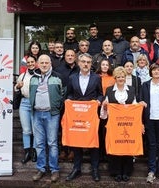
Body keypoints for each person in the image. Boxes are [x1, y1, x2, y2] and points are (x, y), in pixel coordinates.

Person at [101, 66, 146, 182]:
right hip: (114, 125)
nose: (121, 78)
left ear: (125, 78)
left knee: (127, 146)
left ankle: (127, 171)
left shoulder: (131, 90)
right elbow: (105, 110)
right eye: (119, 77)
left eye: (123, 76)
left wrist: (140, 104)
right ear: (115, 78)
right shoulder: (109, 90)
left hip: (129, 124)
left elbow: (135, 106)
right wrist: (105, 106)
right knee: (116, 146)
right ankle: (116, 171)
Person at [65, 53, 103, 182]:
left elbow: (100, 94)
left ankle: (95, 169)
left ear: (91, 64)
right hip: (77, 116)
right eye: (83, 62)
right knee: (77, 142)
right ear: (79, 63)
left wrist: (98, 101)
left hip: (91, 116)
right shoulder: (72, 78)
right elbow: (69, 94)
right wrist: (68, 101)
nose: (86, 64)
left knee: (93, 142)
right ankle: (76, 168)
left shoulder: (97, 78)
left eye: (88, 62)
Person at [29, 54, 66, 182]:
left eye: (46, 62)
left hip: (52, 114)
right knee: (39, 144)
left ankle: (54, 170)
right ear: (38, 64)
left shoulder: (58, 77)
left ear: (50, 64)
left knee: (52, 143)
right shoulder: (33, 78)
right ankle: (41, 169)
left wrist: (56, 108)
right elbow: (30, 94)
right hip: (37, 114)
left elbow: (63, 94)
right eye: (42, 62)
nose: (44, 65)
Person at [55, 49, 79, 162]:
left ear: (75, 57)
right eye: (68, 55)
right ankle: (64, 150)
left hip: (76, 105)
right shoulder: (59, 69)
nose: (70, 57)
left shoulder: (79, 69)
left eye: (72, 55)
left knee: (75, 128)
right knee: (63, 128)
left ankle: (73, 151)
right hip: (63, 104)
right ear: (64, 57)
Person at [14, 55, 37, 164]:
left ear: (35, 62)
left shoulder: (39, 75)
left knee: (35, 129)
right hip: (24, 103)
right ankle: (27, 152)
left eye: (32, 62)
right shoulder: (22, 75)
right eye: (28, 62)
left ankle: (35, 151)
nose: (30, 64)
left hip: (36, 104)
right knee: (26, 130)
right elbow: (16, 88)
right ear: (26, 64)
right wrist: (18, 86)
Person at [95, 59, 115, 161]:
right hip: (97, 107)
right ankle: (99, 152)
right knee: (98, 130)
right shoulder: (95, 77)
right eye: (103, 64)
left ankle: (107, 151)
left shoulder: (113, 78)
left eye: (107, 64)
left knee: (107, 130)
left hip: (109, 107)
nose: (105, 66)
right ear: (100, 66)